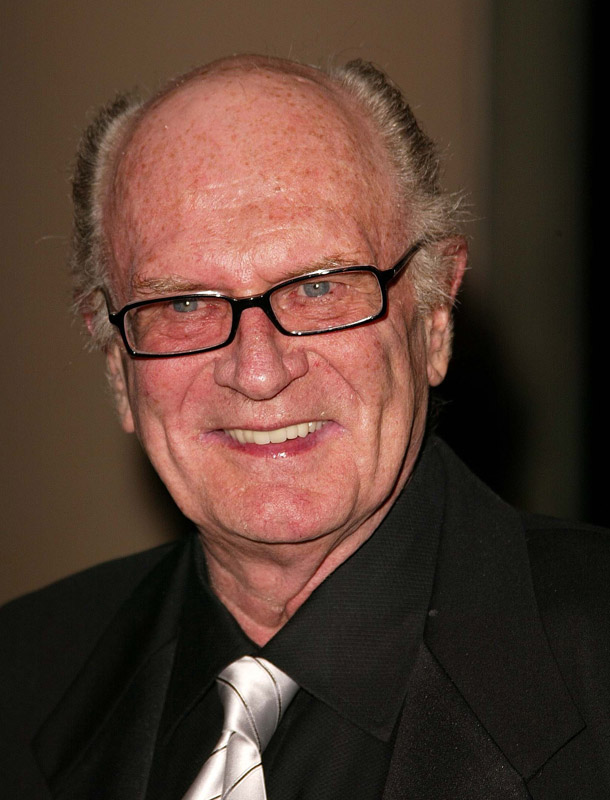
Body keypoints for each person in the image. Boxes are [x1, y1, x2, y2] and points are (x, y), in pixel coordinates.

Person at [1, 54, 608, 799]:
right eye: (184, 304)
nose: (258, 372)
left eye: (320, 287)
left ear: (435, 318)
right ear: (117, 366)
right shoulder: (20, 677)